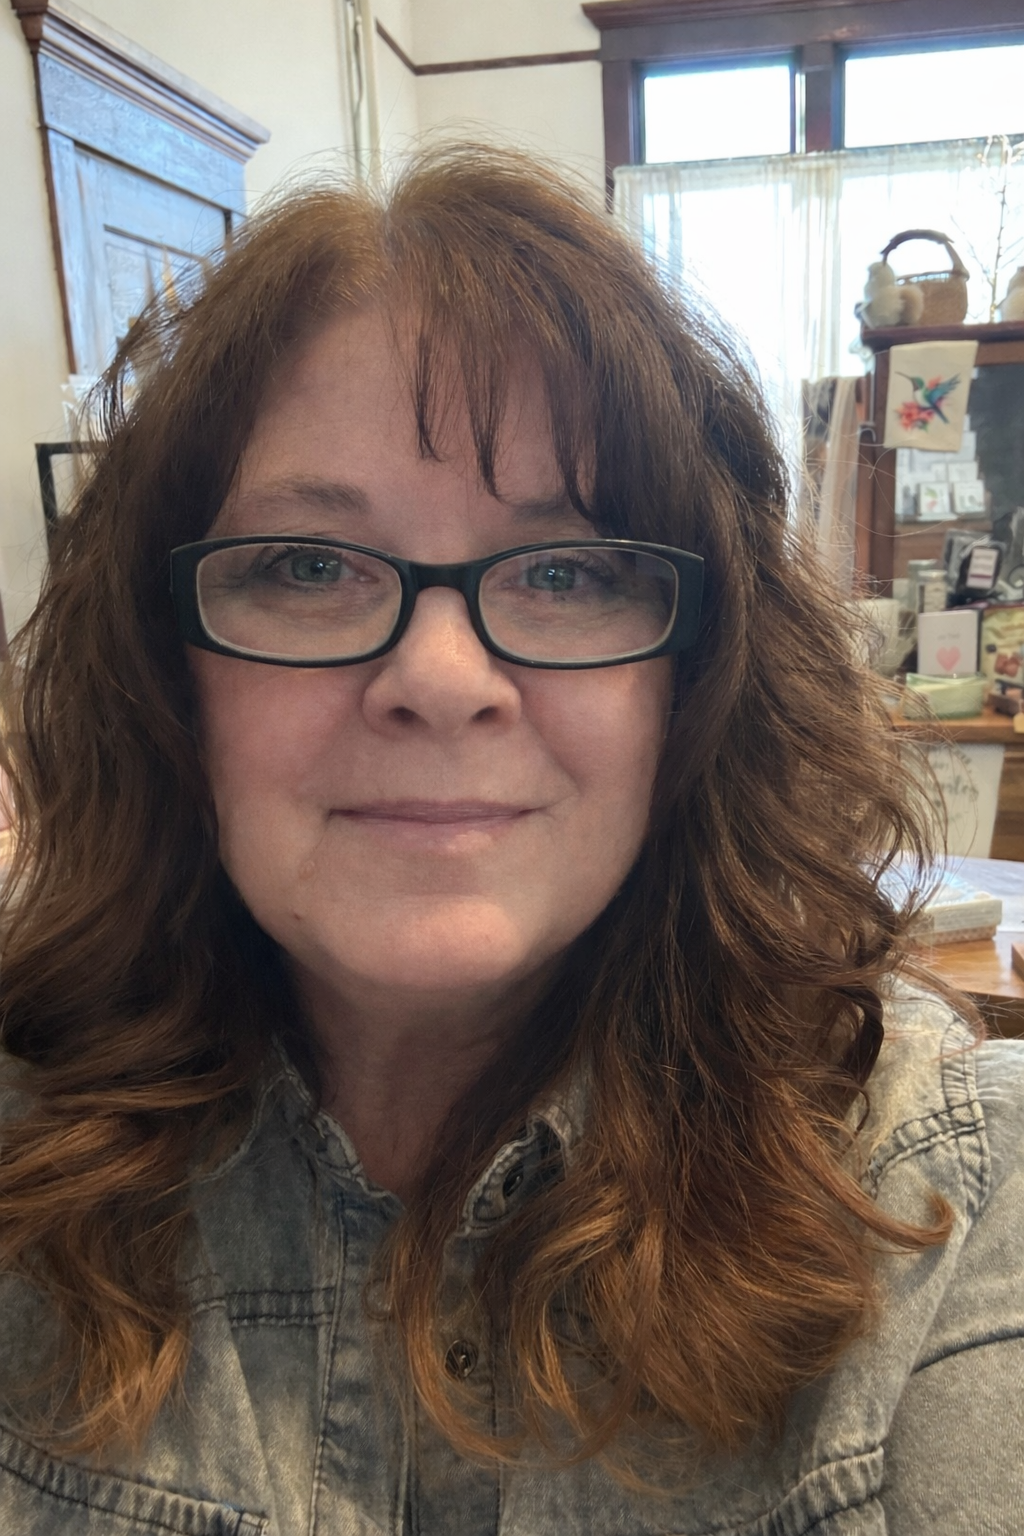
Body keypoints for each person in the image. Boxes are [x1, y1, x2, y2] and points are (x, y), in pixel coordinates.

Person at [0, 145, 1021, 1536]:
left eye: (566, 570)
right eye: (308, 565)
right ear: (164, 666)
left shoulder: (941, 1190)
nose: (439, 676)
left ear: (698, 672)